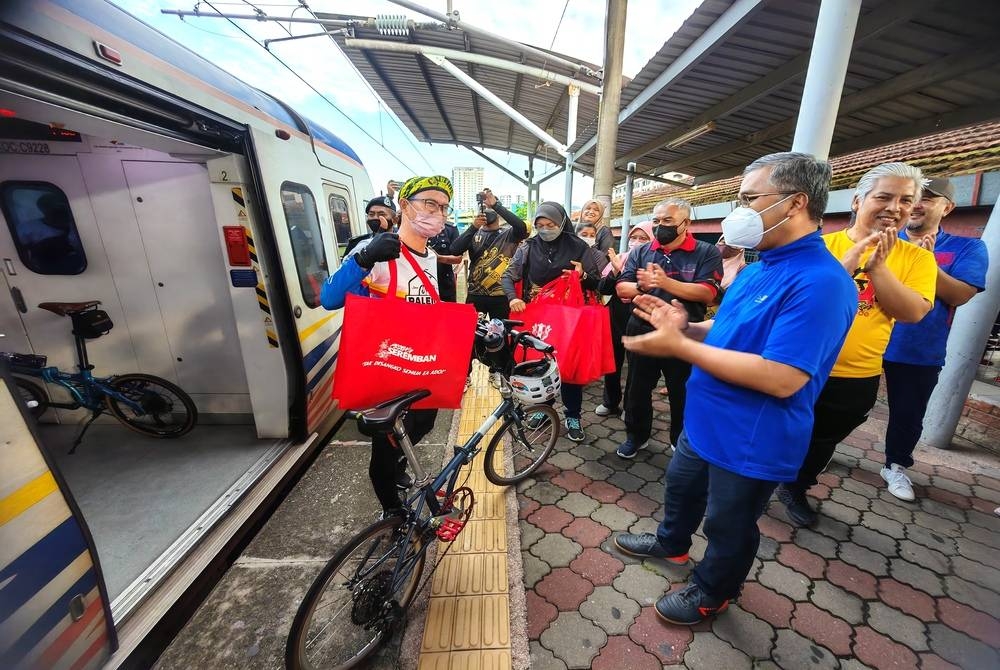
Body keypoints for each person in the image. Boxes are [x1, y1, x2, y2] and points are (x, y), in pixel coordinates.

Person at [612, 152, 857, 625]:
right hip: (705, 422)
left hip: (751, 436)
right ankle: (671, 543)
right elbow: (728, 327)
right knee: (681, 491)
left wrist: (679, 347)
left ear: (795, 203)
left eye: (749, 198)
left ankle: (713, 589)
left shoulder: (821, 282)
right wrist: (685, 326)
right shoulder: (760, 265)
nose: (737, 211)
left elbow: (783, 377)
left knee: (729, 522)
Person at [777, 162, 937, 527]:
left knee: (822, 440)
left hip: (856, 374)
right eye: (884, 196)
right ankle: (753, 486)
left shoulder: (917, 259)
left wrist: (878, 268)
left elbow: (912, 312)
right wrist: (850, 265)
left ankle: (796, 487)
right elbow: (799, 298)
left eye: (906, 201)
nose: (895, 207)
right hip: (797, 364)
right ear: (857, 200)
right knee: (777, 429)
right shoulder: (819, 246)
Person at [319, 175, 453, 516]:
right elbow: (329, 298)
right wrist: (363, 258)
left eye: (443, 207)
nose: (437, 212)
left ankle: (396, 467)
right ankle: (393, 514)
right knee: (385, 445)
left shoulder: (432, 256)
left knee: (423, 425)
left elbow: (432, 311)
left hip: (422, 364)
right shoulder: (374, 251)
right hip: (386, 365)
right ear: (404, 205)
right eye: (429, 203)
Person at [880, 177, 988, 500]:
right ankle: (823, 450)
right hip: (867, 341)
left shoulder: (967, 247)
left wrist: (925, 264)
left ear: (948, 207)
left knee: (908, 415)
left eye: (928, 198)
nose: (916, 204)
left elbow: (962, 294)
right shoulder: (884, 239)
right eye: (913, 197)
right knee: (844, 403)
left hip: (918, 349)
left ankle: (895, 466)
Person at [614, 198, 722, 458]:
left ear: (686, 223)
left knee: (682, 390)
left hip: (686, 332)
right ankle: (636, 436)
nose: (660, 226)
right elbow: (622, 288)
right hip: (642, 328)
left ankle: (679, 439)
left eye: (667, 221)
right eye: (656, 221)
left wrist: (664, 282)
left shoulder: (706, 252)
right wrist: (643, 286)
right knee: (637, 390)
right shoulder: (642, 251)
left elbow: (707, 293)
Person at [501, 201, 605, 442]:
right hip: (539, 319)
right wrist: (513, 297)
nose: (546, 229)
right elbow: (509, 275)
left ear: (562, 223)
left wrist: (582, 276)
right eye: (541, 225)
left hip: (570, 319)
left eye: (551, 224)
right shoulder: (527, 247)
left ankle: (573, 416)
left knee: (569, 369)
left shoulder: (578, 246)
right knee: (541, 364)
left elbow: (597, 282)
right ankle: (543, 409)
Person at [596, 221, 654, 417]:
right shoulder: (620, 259)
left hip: (641, 319)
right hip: (617, 319)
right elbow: (603, 289)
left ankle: (630, 407)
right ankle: (610, 401)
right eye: (633, 238)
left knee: (636, 369)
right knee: (613, 363)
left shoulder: (656, 263)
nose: (636, 242)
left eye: (643, 238)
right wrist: (615, 271)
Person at [449, 188, 528, 320]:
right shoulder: (473, 233)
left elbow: (521, 227)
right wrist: (474, 227)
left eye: (490, 206)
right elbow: (455, 250)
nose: (487, 209)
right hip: (476, 294)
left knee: (503, 334)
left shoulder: (508, 234)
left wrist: (496, 205)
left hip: (502, 295)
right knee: (472, 333)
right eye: (484, 206)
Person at [428, 211, 463, 302]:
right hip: (423, 282)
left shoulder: (450, 229)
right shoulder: (421, 228)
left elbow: (458, 259)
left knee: (448, 313)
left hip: (444, 282)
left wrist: (438, 257)